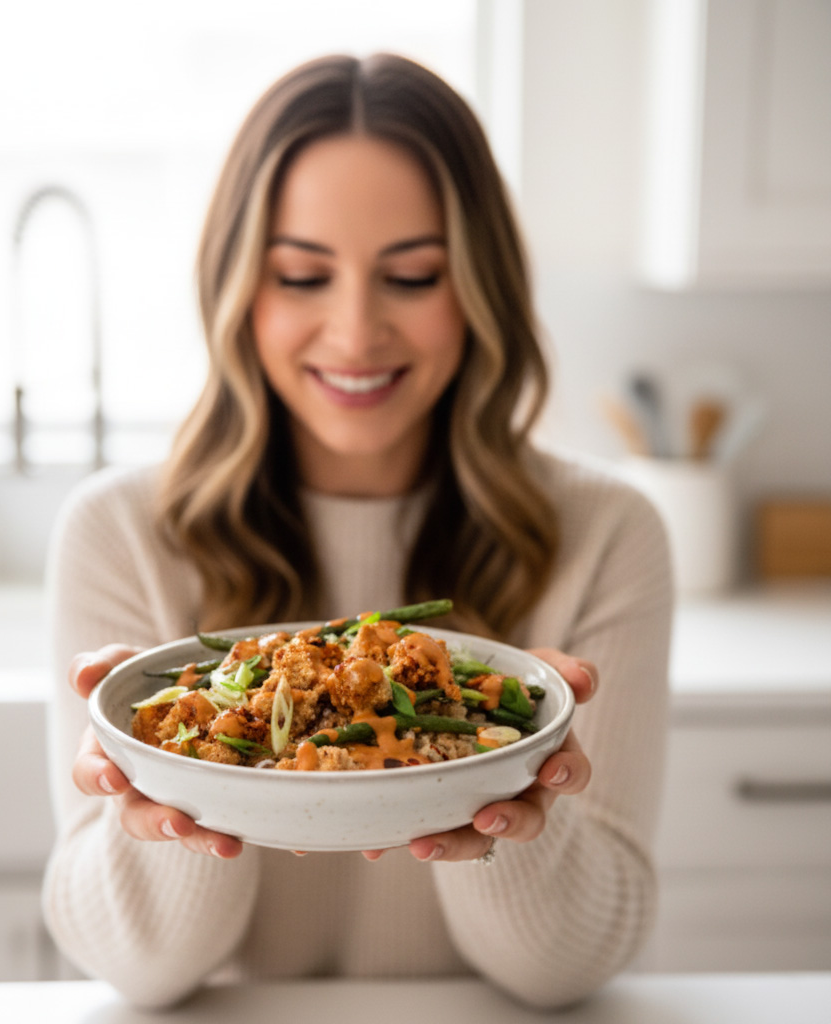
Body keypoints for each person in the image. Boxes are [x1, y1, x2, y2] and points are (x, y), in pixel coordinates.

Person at [41, 53, 672, 1010]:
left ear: (481, 288)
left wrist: (502, 807)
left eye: (412, 276)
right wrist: (179, 789)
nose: (354, 332)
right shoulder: (118, 531)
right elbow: (134, 973)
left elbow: (575, 968)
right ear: (237, 289)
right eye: (301, 274)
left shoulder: (609, 532)